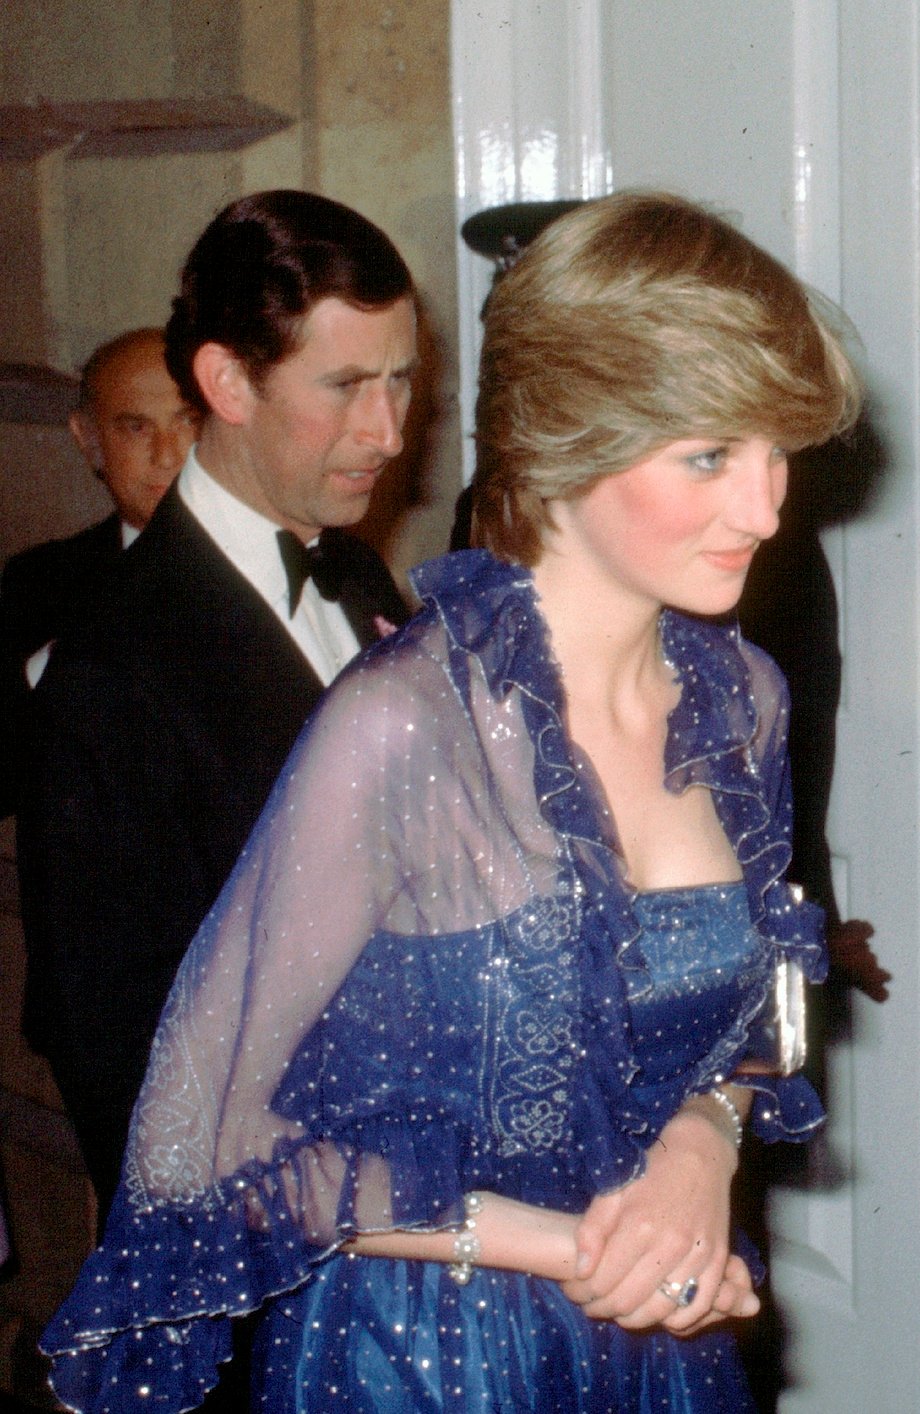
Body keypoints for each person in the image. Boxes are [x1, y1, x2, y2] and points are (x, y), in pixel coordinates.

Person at [41, 191, 861, 1413]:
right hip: (431, 1356)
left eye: (777, 452)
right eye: (709, 456)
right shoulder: (401, 722)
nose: (767, 507)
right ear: (569, 436)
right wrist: (577, 1248)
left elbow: (759, 1007)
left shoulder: (742, 695)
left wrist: (706, 1144)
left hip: (663, 1333)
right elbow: (197, 1147)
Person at [18, 190, 413, 1230]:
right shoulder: (112, 665)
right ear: (227, 381)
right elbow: (129, 1073)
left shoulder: (361, 574)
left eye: (402, 381)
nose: (388, 431)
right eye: (345, 386)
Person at [0, 327, 197, 817]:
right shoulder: (41, 584)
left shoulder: (312, 566)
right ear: (88, 441)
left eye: (188, 421)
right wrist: (66, 657)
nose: (168, 455)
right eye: (135, 427)